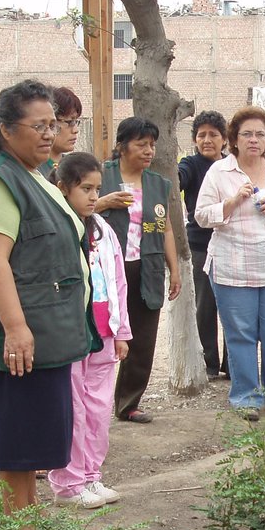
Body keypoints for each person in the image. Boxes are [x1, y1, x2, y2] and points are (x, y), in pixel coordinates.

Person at [0, 79, 94, 524]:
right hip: (22, 343)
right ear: (5, 129)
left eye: (52, 124)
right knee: (18, 446)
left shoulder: (36, 176)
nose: (47, 133)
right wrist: (17, 329)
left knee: (35, 444)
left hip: (48, 336)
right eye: (37, 125)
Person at [194, 106, 265, 420]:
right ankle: (246, 397)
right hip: (232, 266)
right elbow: (201, 216)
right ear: (235, 138)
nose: (254, 140)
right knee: (240, 334)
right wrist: (232, 202)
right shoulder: (220, 171)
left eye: (260, 134)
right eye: (247, 134)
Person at [48, 153, 132, 509]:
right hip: (69, 334)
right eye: (85, 188)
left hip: (103, 332)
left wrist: (122, 331)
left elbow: (118, 281)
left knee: (97, 409)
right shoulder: (56, 228)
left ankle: (91, 476)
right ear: (63, 188)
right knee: (73, 408)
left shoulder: (103, 229)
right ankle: (68, 483)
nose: (93, 196)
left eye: (97, 188)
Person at [99, 117, 182, 423]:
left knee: (143, 339)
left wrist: (174, 270)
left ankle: (128, 403)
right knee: (103, 335)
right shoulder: (100, 176)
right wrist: (103, 202)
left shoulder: (158, 184)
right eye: (141, 144)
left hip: (145, 267)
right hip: (105, 271)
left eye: (152, 144)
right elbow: (71, 206)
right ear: (122, 146)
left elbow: (166, 229)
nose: (149, 151)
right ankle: (94, 402)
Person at [179, 110, 229, 379]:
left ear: (225, 139)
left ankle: (234, 365)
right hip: (200, 246)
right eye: (201, 135)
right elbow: (178, 179)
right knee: (205, 306)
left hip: (232, 244)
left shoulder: (234, 165)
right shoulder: (190, 164)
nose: (207, 140)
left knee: (234, 307)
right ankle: (209, 363)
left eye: (213, 134)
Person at [43, 86, 83, 177]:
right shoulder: (34, 169)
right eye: (70, 122)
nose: (75, 130)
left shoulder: (74, 167)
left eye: (76, 122)